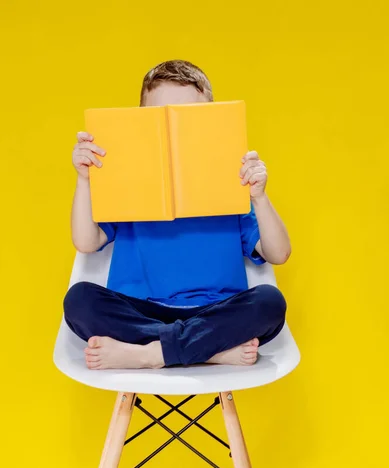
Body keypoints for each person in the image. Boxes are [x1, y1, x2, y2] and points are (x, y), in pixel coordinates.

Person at [64, 59, 291, 370]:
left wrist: (260, 196)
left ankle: (149, 355)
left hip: (214, 311)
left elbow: (278, 253)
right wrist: (84, 179)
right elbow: (86, 242)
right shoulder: (126, 181)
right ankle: (207, 351)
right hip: (143, 312)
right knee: (80, 301)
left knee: (269, 303)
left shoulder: (231, 182)